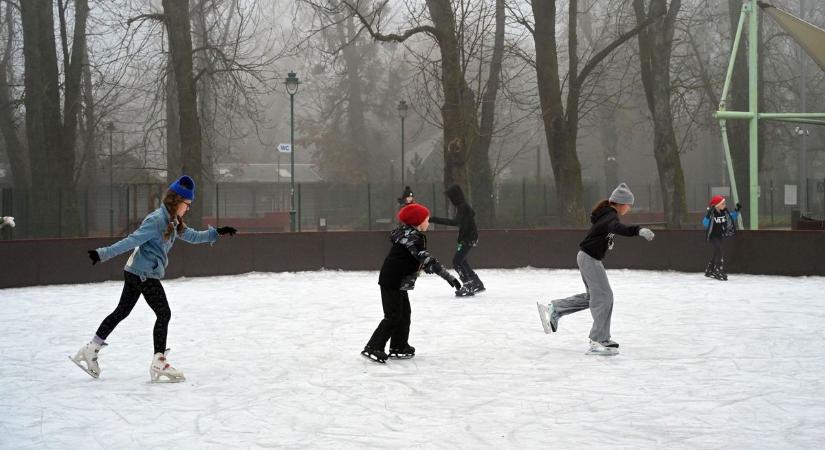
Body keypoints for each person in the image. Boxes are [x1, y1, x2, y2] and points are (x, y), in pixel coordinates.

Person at [70, 175, 237, 382]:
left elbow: (192, 236)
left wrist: (217, 233)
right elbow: (132, 240)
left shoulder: (173, 221)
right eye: (188, 204)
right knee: (163, 313)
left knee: (122, 311)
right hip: (142, 274)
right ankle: (159, 361)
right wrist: (102, 253)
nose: (189, 208)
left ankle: (91, 348)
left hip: (137, 271)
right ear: (178, 201)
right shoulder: (157, 220)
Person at [536, 183, 655, 356]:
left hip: (588, 257)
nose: (628, 209)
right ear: (621, 203)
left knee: (595, 297)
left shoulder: (606, 214)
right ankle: (598, 340)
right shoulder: (610, 217)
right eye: (628, 205)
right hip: (589, 259)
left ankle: (555, 309)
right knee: (604, 297)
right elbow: (617, 228)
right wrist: (638, 230)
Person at [362, 203, 461, 363]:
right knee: (393, 316)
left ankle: (399, 346)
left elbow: (413, 258)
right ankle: (373, 346)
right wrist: (447, 276)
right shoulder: (413, 238)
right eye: (427, 220)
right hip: (392, 280)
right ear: (418, 222)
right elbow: (425, 258)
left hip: (397, 280)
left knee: (404, 314)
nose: (429, 223)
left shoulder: (407, 234)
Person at [429, 184, 483, 296]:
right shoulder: (463, 206)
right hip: (469, 237)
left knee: (457, 262)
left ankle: (468, 285)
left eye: (451, 197)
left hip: (469, 237)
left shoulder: (462, 207)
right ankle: (477, 283)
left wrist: (433, 219)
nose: (450, 200)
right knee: (462, 260)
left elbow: (455, 222)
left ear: (455, 196)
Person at [702, 195, 740, 281]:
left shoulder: (724, 212)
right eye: (723, 204)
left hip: (719, 236)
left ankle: (710, 269)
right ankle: (718, 268)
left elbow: (731, 217)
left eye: (724, 203)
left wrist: (737, 211)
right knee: (719, 250)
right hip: (712, 236)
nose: (724, 205)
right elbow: (705, 223)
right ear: (717, 205)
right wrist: (708, 215)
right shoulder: (712, 213)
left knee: (717, 251)